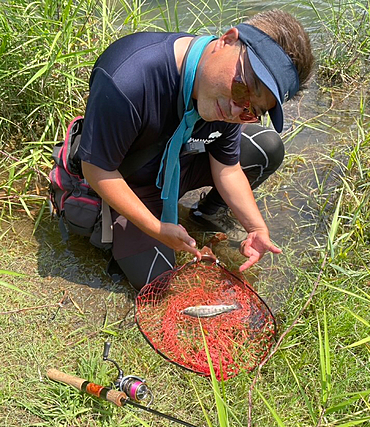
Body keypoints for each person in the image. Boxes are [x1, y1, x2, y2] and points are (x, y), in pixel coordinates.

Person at [78, 9, 314, 291]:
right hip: (129, 182)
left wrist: (256, 228)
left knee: (267, 147)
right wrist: (156, 229)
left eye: (253, 109)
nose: (236, 109)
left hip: (177, 167)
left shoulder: (226, 97)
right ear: (227, 40)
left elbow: (227, 168)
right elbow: (95, 169)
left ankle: (205, 214)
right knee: (162, 284)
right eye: (242, 89)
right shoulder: (128, 79)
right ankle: (123, 229)